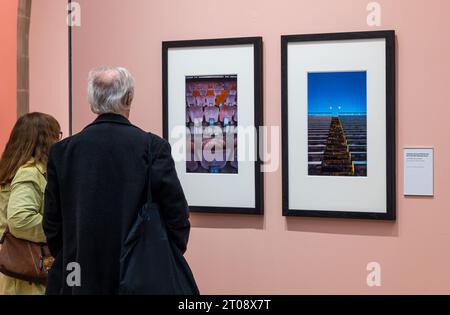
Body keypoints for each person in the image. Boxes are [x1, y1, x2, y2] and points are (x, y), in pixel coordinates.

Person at [43, 67, 191, 295]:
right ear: (129, 98)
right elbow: (177, 214)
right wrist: (164, 253)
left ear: (92, 102)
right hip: (139, 273)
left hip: (79, 272)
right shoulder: (152, 148)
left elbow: (52, 223)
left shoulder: (63, 152)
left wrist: (70, 254)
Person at [0, 113, 61, 295]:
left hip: (15, 271)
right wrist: (57, 231)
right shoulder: (30, 172)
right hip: (27, 278)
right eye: (57, 135)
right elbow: (20, 219)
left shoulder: (11, 171)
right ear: (45, 140)